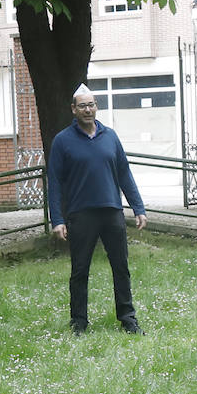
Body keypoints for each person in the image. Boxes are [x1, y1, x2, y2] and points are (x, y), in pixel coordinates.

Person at [47, 83, 148, 335]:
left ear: (96, 107)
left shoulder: (110, 136)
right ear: (73, 109)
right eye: (82, 106)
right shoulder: (62, 141)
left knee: (120, 267)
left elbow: (124, 173)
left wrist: (138, 207)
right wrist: (57, 219)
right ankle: (79, 322)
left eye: (91, 105)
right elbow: (55, 182)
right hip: (81, 215)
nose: (88, 110)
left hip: (111, 211)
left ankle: (128, 319)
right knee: (80, 270)